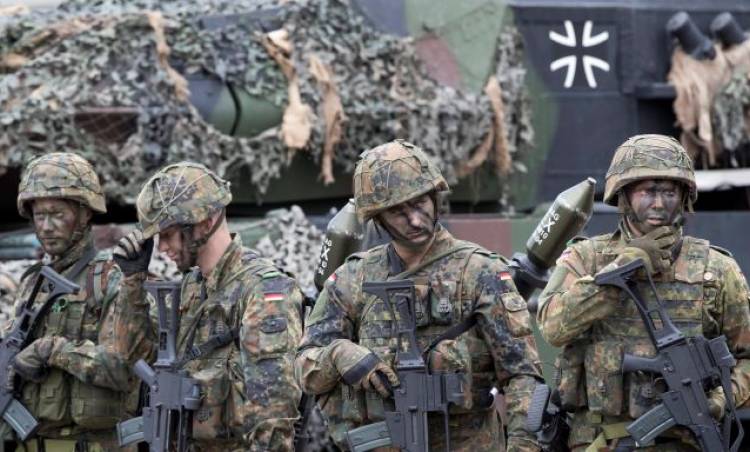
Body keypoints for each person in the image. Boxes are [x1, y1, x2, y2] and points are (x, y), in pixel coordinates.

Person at [295, 139, 542, 451]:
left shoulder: (481, 272)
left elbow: (523, 376)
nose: (414, 219)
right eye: (397, 211)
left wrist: (522, 446)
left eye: (420, 203)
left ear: (435, 197)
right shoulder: (353, 279)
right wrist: (339, 354)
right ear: (378, 218)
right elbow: (305, 369)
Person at [537, 134, 750, 451]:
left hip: (684, 442)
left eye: (669, 192)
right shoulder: (587, 258)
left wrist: (719, 400)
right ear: (624, 195)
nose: (659, 203)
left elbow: (746, 358)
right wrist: (623, 269)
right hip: (599, 441)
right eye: (647, 191)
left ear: (684, 197)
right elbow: (552, 327)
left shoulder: (717, 269)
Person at [113, 161, 303, 451]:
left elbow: (273, 411)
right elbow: (133, 356)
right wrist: (132, 284)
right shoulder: (189, 288)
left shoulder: (262, 291)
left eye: (167, 234)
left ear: (205, 223)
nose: (161, 248)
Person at [6, 152, 145, 451]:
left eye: (57, 214)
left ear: (85, 213)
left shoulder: (113, 279)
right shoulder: (33, 283)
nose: (46, 226)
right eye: (39, 216)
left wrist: (52, 349)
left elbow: (122, 366)